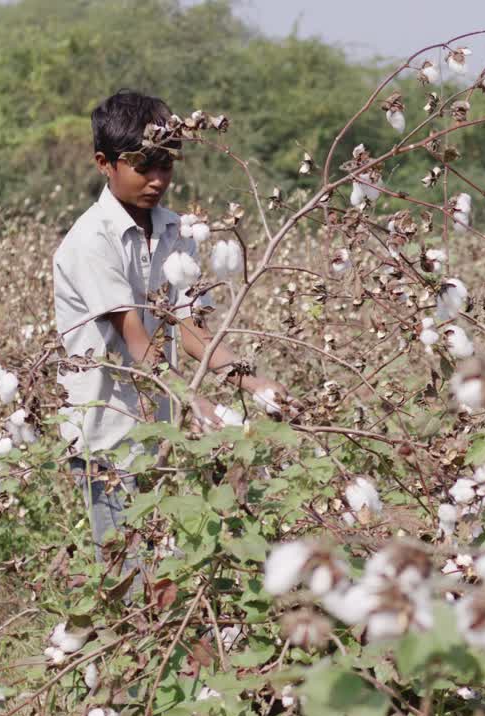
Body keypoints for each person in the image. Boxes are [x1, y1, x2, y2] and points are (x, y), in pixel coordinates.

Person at [52, 89, 285, 584]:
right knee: (129, 576)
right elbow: (136, 341)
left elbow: (190, 324)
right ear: (105, 164)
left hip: (160, 429)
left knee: (173, 567)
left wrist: (251, 382)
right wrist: (194, 402)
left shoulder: (175, 229)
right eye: (144, 167)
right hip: (108, 437)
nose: (158, 180)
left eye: (166, 166)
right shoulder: (91, 241)